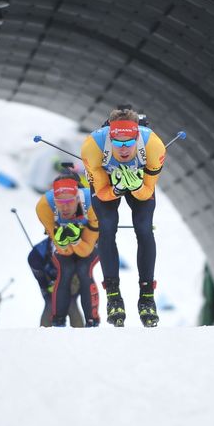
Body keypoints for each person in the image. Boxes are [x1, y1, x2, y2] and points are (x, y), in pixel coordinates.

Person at [81, 106, 166, 327]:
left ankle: (147, 297)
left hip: (139, 181)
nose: (124, 148)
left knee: (144, 228)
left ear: (138, 134)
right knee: (107, 228)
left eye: (129, 142)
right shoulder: (93, 146)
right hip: (108, 183)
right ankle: (113, 296)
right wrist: (117, 190)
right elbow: (101, 193)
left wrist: (135, 186)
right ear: (109, 135)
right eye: (118, 142)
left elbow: (147, 191)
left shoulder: (153, 145)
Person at [35, 174, 101, 327]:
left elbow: (86, 251)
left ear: (78, 198)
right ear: (54, 200)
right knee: (66, 269)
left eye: (70, 202)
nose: (65, 207)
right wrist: (65, 242)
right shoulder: (44, 206)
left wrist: (76, 240)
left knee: (85, 269)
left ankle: (93, 321)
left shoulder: (92, 204)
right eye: (60, 202)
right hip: (72, 244)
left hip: (90, 240)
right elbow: (64, 251)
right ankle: (58, 321)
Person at [27, 237, 84, 327]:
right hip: (49, 282)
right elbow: (38, 274)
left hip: (71, 282)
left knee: (71, 303)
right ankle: (44, 336)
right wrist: (47, 284)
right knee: (50, 303)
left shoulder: (75, 249)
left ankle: (81, 336)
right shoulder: (36, 256)